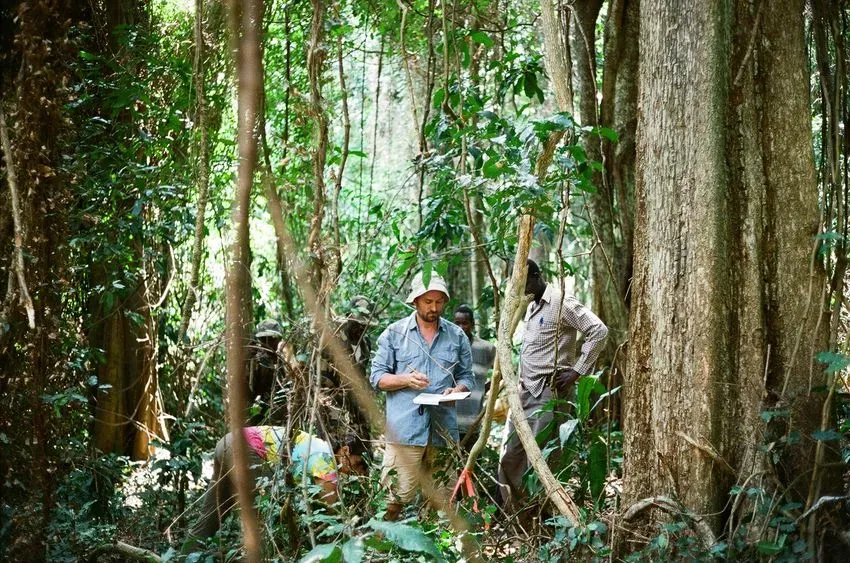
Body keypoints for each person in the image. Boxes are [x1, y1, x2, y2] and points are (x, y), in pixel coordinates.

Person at [498, 259, 608, 510]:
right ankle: (515, 515)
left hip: (549, 394)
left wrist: (577, 372)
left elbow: (598, 331)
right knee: (511, 456)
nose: (518, 290)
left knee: (541, 460)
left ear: (536, 277)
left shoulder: (561, 302)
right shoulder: (530, 306)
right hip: (524, 393)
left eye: (522, 283)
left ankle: (541, 516)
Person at [370, 271, 474, 520]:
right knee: (394, 499)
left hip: (443, 431)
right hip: (405, 430)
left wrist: (457, 390)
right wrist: (406, 379)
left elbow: (467, 377)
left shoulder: (457, 336)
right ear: (415, 301)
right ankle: (384, 550)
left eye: (439, 301)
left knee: (442, 500)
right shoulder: (394, 334)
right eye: (428, 301)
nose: (434, 307)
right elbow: (377, 378)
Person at [184, 427, 369, 546]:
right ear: (345, 451)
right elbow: (332, 510)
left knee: (211, 515)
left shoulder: (317, 447)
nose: (360, 472)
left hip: (228, 442)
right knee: (270, 512)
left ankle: (184, 557)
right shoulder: (325, 459)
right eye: (359, 463)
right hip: (245, 449)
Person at [321, 296, 378, 441]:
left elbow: (362, 373)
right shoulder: (334, 338)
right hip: (336, 405)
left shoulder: (365, 343)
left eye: (365, 325)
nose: (361, 328)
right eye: (358, 323)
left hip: (358, 405)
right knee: (339, 449)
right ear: (350, 317)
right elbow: (323, 378)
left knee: (362, 449)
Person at [452, 304, 496, 447]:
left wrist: (485, 388)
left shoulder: (486, 348)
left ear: (472, 324)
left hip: (473, 420)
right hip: (449, 420)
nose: (461, 327)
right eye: (457, 323)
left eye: (464, 323)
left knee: (472, 464)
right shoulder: (448, 346)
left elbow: (502, 372)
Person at [246, 319, 288, 424]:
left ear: (279, 340)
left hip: (285, 414)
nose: (268, 343)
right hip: (261, 416)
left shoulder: (286, 358)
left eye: (272, 339)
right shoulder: (254, 361)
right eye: (263, 339)